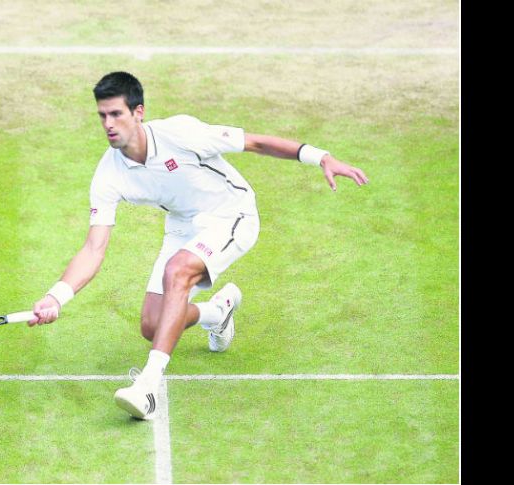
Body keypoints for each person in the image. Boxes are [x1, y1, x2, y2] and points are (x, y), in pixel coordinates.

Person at [27, 71, 368, 420]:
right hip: (183, 225)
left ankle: (148, 385)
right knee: (152, 325)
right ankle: (217, 313)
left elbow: (255, 143)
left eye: (117, 114)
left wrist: (321, 157)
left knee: (178, 271)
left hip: (232, 214)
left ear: (138, 112)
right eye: (102, 116)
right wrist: (57, 296)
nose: (108, 124)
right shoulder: (108, 173)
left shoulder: (181, 133)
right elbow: (93, 249)